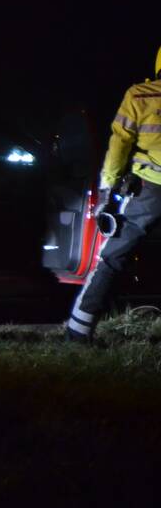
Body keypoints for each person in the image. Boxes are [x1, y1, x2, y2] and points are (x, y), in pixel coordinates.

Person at [67, 46, 161, 344]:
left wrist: (108, 188)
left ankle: (79, 331)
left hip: (148, 190)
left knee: (112, 258)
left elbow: (119, 144)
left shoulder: (140, 95)